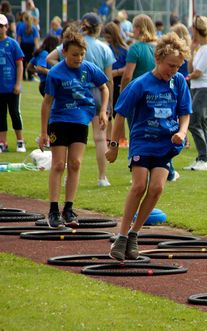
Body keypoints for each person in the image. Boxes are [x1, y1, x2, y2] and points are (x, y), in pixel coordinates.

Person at [107, 32, 191, 261]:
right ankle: (121, 236)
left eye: (178, 66)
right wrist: (113, 146)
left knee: (156, 189)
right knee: (139, 186)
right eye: (170, 65)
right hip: (142, 143)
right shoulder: (140, 84)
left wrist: (182, 133)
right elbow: (120, 114)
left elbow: (185, 113)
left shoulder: (179, 82)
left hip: (166, 145)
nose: (173, 70)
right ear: (158, 59)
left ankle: (134, 235)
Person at [39, 30, 109, 228]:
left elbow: (104, 87)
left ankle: (68, 208)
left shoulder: (88, 68)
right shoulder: (55, 73)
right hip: (59, 121)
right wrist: (44, 132)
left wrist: (103, 111)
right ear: (64, 52)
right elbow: (46, 103)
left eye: (81, 54)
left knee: (76, 163)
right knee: (59, 164)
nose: (78, 58)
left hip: (80, 120)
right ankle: (53, 210)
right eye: (74, 54)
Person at [79, 12, 115, 187]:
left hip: (77, 91)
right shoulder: (104, 48)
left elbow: (52, 58)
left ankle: (67, 176)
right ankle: (102, 177)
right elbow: (109, 80)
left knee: (74, 136)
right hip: (99, 92)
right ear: (99, 27)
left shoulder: (76, 44)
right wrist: (110, 105)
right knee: (100, 138)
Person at [183, 15, 207, 171]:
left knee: (194, 121)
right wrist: (191, 50)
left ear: (197, 30)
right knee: (201, 123)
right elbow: (191, 69)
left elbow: (197, 73)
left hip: (206, 88)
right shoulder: (202, 48)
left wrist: (186, 78)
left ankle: (203, 159)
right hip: (197, 88)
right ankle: (202, 157)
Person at [0, 13, 25, 153]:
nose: (0, 29)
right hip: (0, 88)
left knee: (15, 113)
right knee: (1, 115)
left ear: (7, 27)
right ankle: (2, 143)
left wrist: (17, 84)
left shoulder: (13, 44)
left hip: (12, 87)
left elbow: (20, 65)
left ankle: (20, 141)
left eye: (2, 26)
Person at [102, 21, 128, 147]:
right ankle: (109, 138)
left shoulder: (124, 50)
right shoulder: (106, 49)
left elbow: (128, 68)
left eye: (109, 36)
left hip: (119, 82)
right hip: (107, 81)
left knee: (119, 110)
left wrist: (115, 72)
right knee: (108, 110)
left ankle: (122, 138)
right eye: (105, 37)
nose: (107, 39)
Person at [120, 14, 157, 92]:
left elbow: (127, 76)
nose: (132, 31)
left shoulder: (135, 48)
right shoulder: (160, 47)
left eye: (133, 27)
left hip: (138, 92)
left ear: (139, 29)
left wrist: (122, 93)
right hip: (155, 92)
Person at [16, 11, 39, 81]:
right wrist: (37, 49)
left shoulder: (21, 26)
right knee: (30, 62)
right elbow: (36, 40)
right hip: (31, 47)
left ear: (24, 19)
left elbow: (19, 38)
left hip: (23, 46)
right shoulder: (34, 28)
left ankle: (23, 76)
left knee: (22, 62)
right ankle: (30, 76)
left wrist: (18, 48)